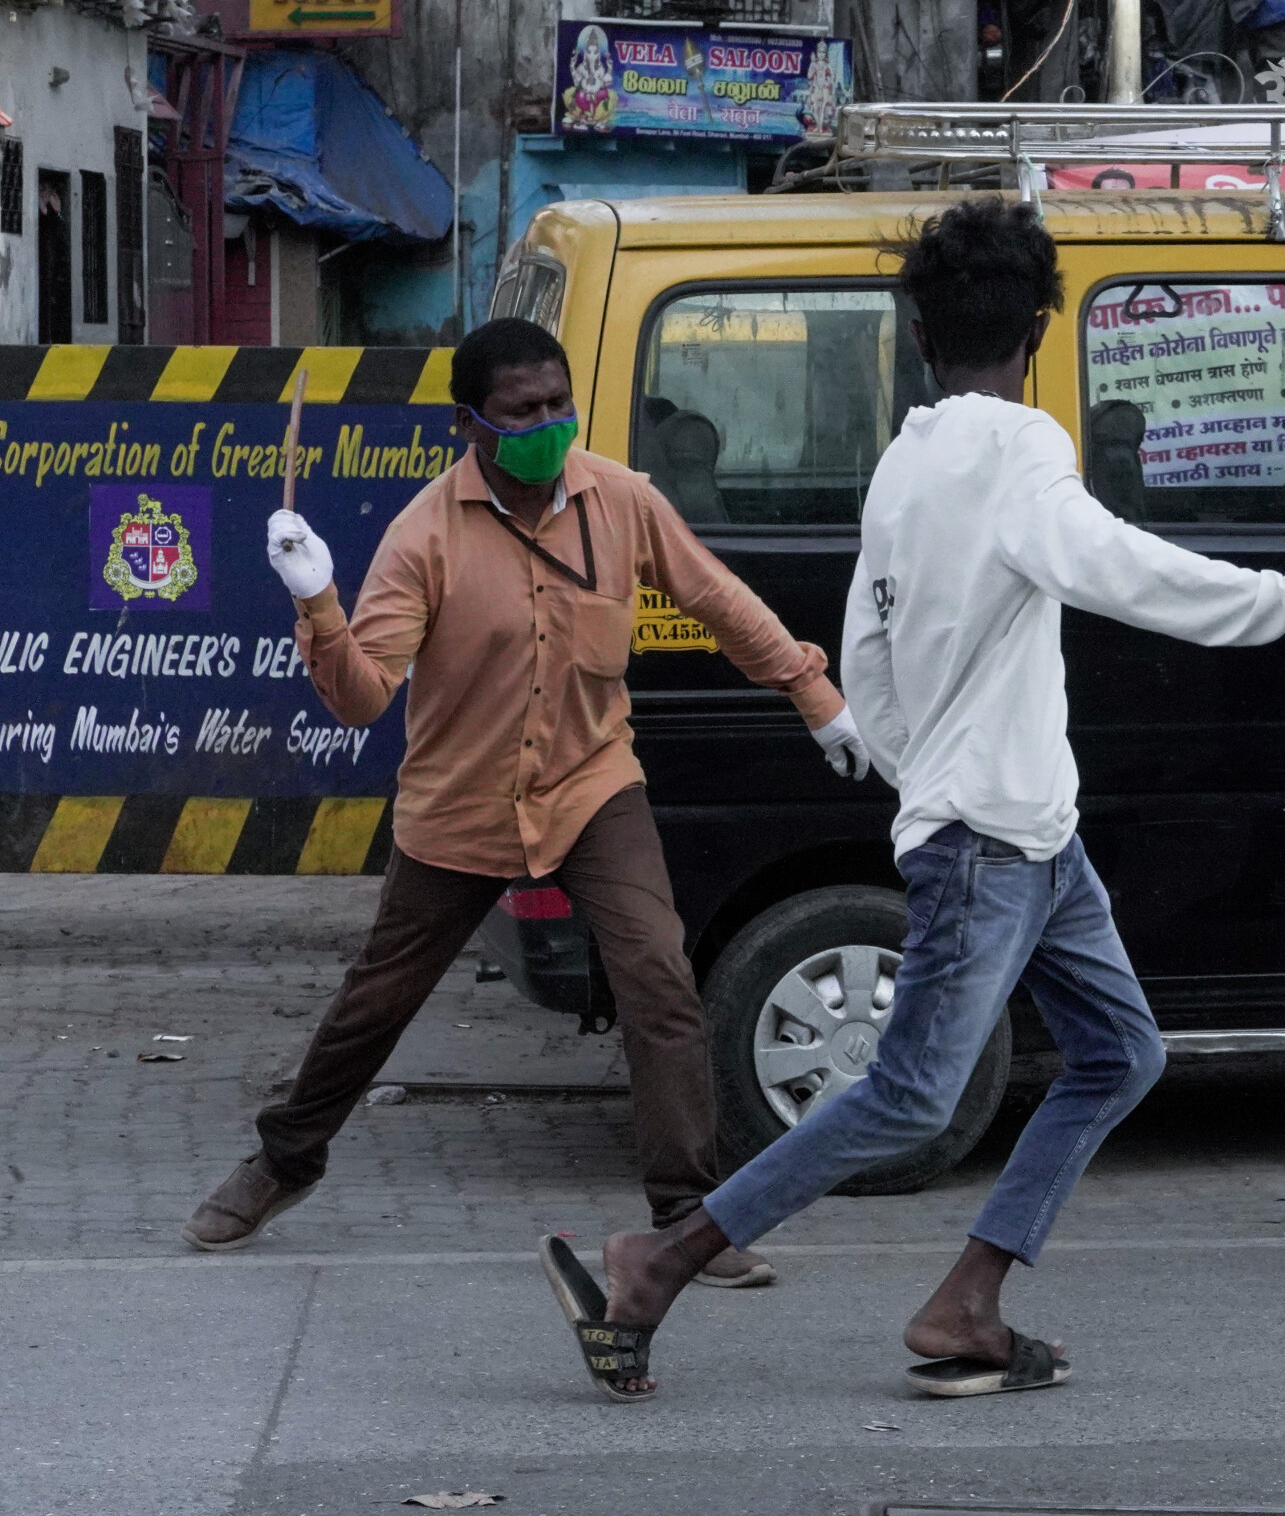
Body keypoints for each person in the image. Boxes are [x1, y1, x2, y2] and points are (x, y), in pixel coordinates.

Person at [551, 196, 1285, 1401]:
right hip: (990, 841)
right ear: (1040, 330)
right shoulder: (1020, 450)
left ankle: (968, 1297)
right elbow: (1123, 569)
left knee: (1120, 1053)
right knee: (909, 1095)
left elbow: (867, 654)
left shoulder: (903, 464)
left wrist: (925, 772)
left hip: (1030, 834)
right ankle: (663, 1259)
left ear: (917, 333)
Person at [184, 318, 869, 1294]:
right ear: (468, 423)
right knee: (378, 1000)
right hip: (457, 804)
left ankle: (686, 1220)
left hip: (591, 785)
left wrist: (812, 692)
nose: (548, 424)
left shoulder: (620, 499)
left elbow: (716, 596)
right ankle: (282, 1161)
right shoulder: (423, 535)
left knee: (658, 978)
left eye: (558, 402)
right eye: (522, 411)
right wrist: (318, 601)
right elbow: (365, 697)